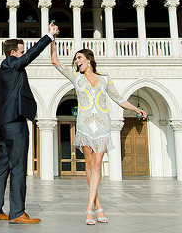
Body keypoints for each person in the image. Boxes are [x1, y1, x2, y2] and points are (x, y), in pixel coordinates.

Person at [49, 24, 146, 226]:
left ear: (89, 60)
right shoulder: (76, 78)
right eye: (76, 59)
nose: (77, 61)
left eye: (79, 58)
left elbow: (119, 99)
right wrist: (53, 38)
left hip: (102, 125)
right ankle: (97, 207)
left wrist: (136, 109)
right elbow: (55, 61)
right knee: (89, 165)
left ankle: (89, 208)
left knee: (97, 165)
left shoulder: (105, 80)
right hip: (85, 126)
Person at [0, 22, 57, 224]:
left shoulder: (4, 71)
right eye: (21, 51)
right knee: (18, 166)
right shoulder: (10, 64)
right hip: (15, 123)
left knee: (2, 166)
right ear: (13, 53)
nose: (24, 54)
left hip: (4, 124)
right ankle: (17, 212)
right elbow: (30, 55)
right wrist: (49, 36)